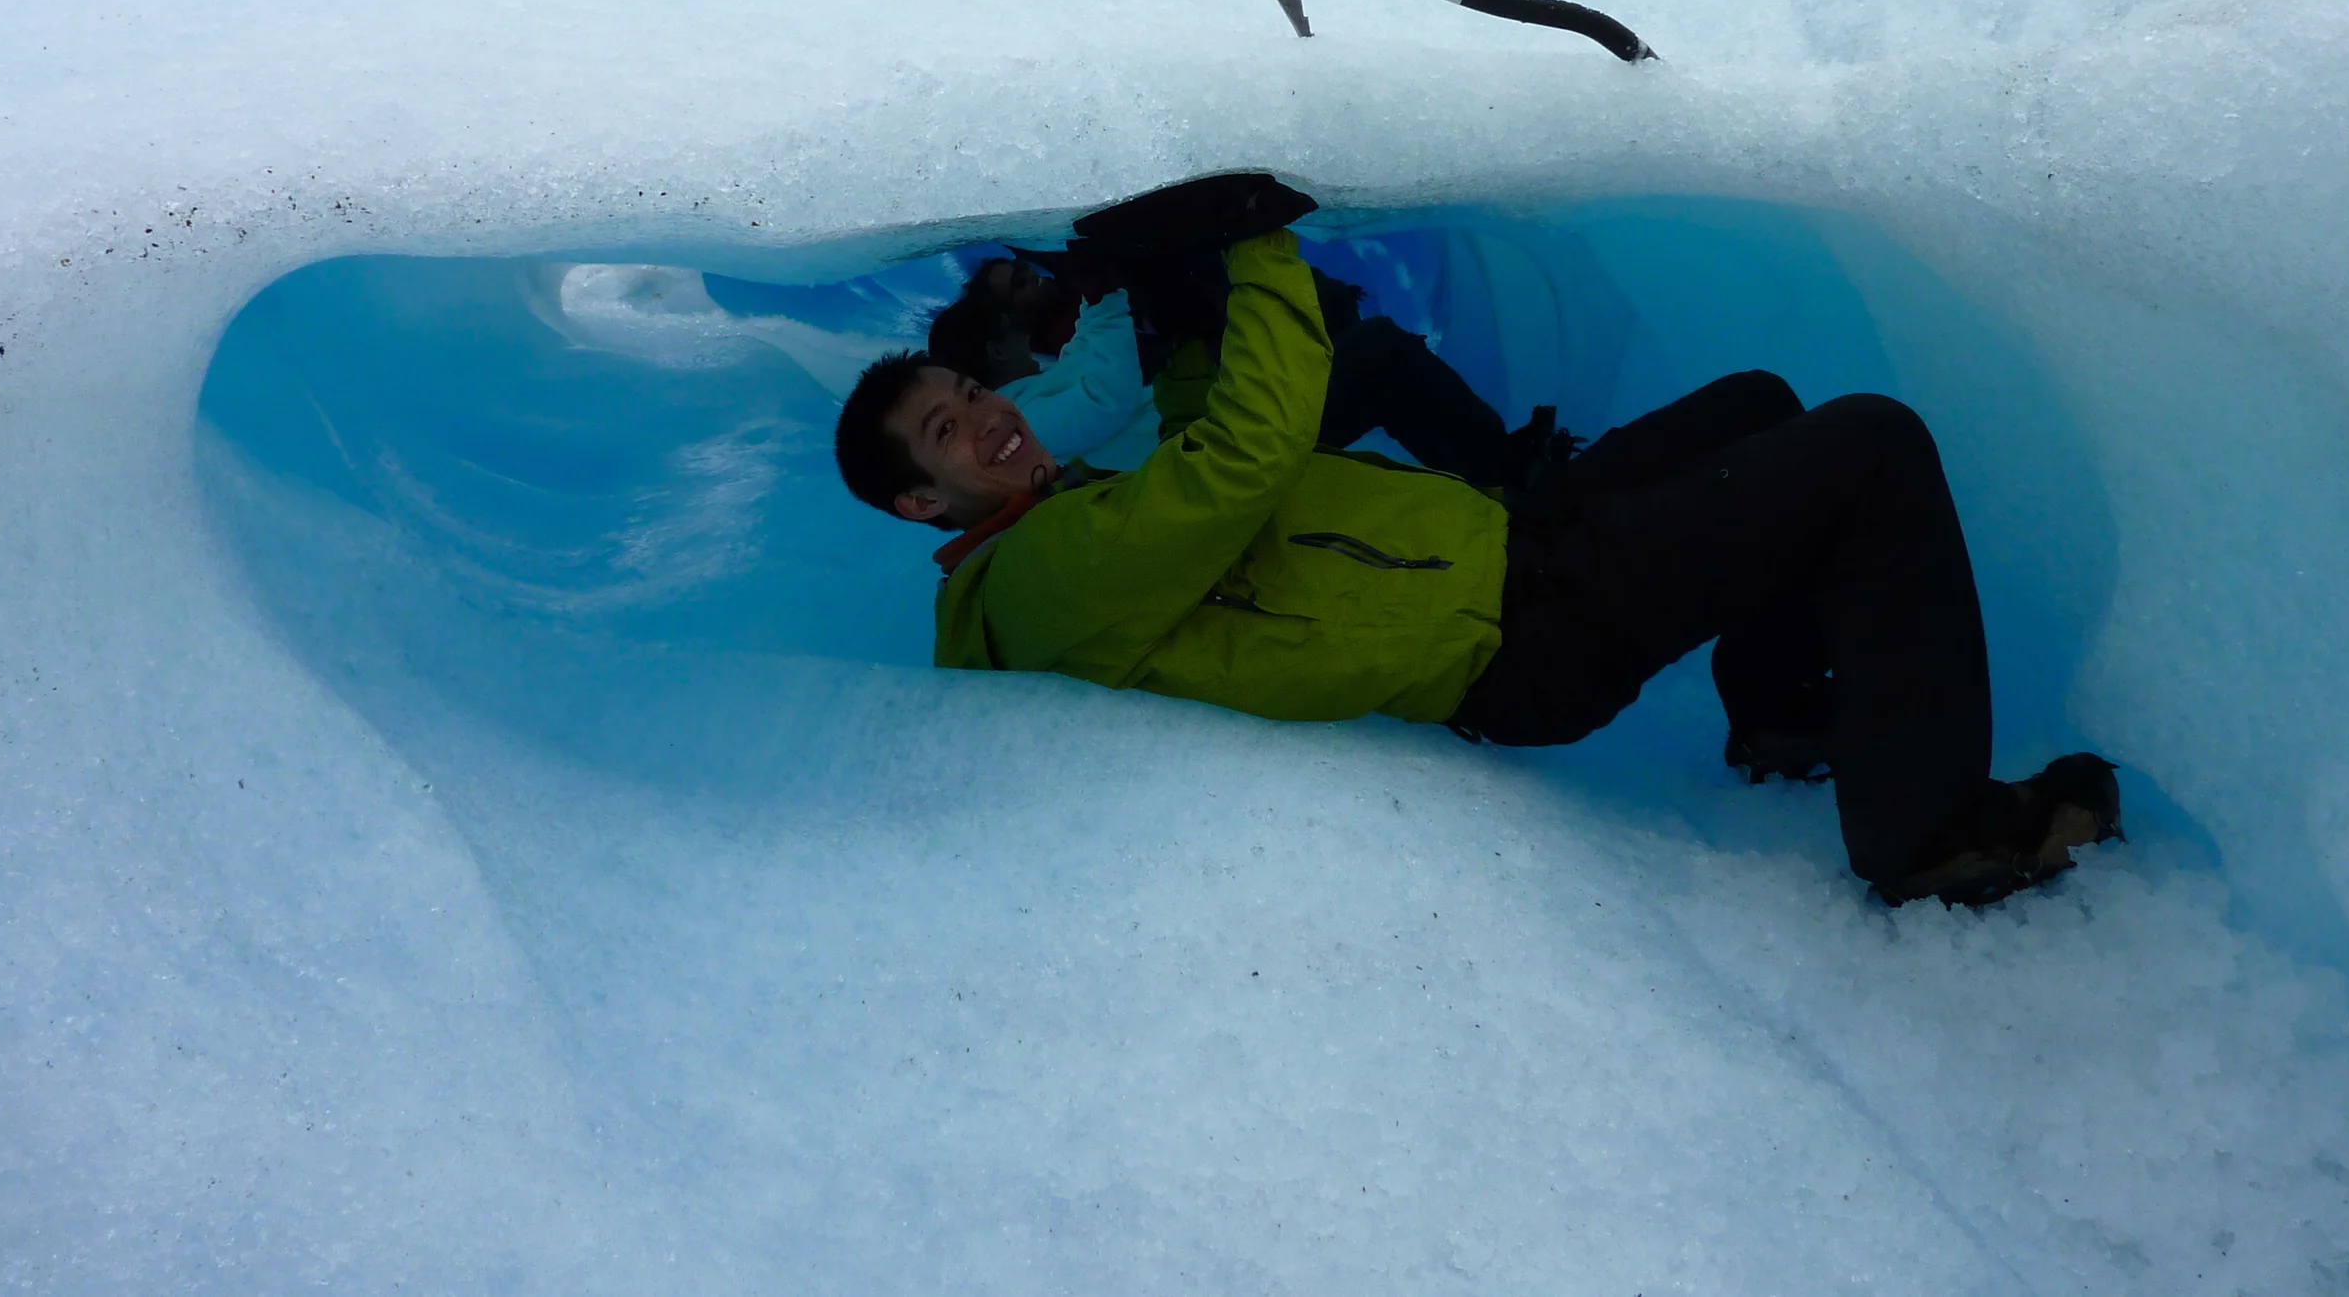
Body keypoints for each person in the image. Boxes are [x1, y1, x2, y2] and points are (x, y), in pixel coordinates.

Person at [833, 175, 2120, 908]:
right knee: (1870, 446)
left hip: (1503, 547)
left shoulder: (1068, 519)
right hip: (1516, 640)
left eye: (971, 398)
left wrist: (1175, 300)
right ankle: (1931, 835)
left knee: (1760, 409)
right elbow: (1239, 467)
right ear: (918, 506)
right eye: (948, 434)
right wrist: (1253, 250)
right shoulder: (1037, 575)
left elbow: (1190, 440)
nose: (988, 419)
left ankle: (1782, 719)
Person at [928, 249, 1562, 488]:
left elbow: (1107, 368)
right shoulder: (1030, 411)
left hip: (1216, 428)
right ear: (994, 343)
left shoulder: (1040, 384)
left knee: (1366, 356)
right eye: (1008, 306)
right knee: (1382, 357)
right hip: (1220, 453)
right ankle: (1503, 473)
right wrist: (1105, 293)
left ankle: (1493, 469)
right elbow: (1106, 396)